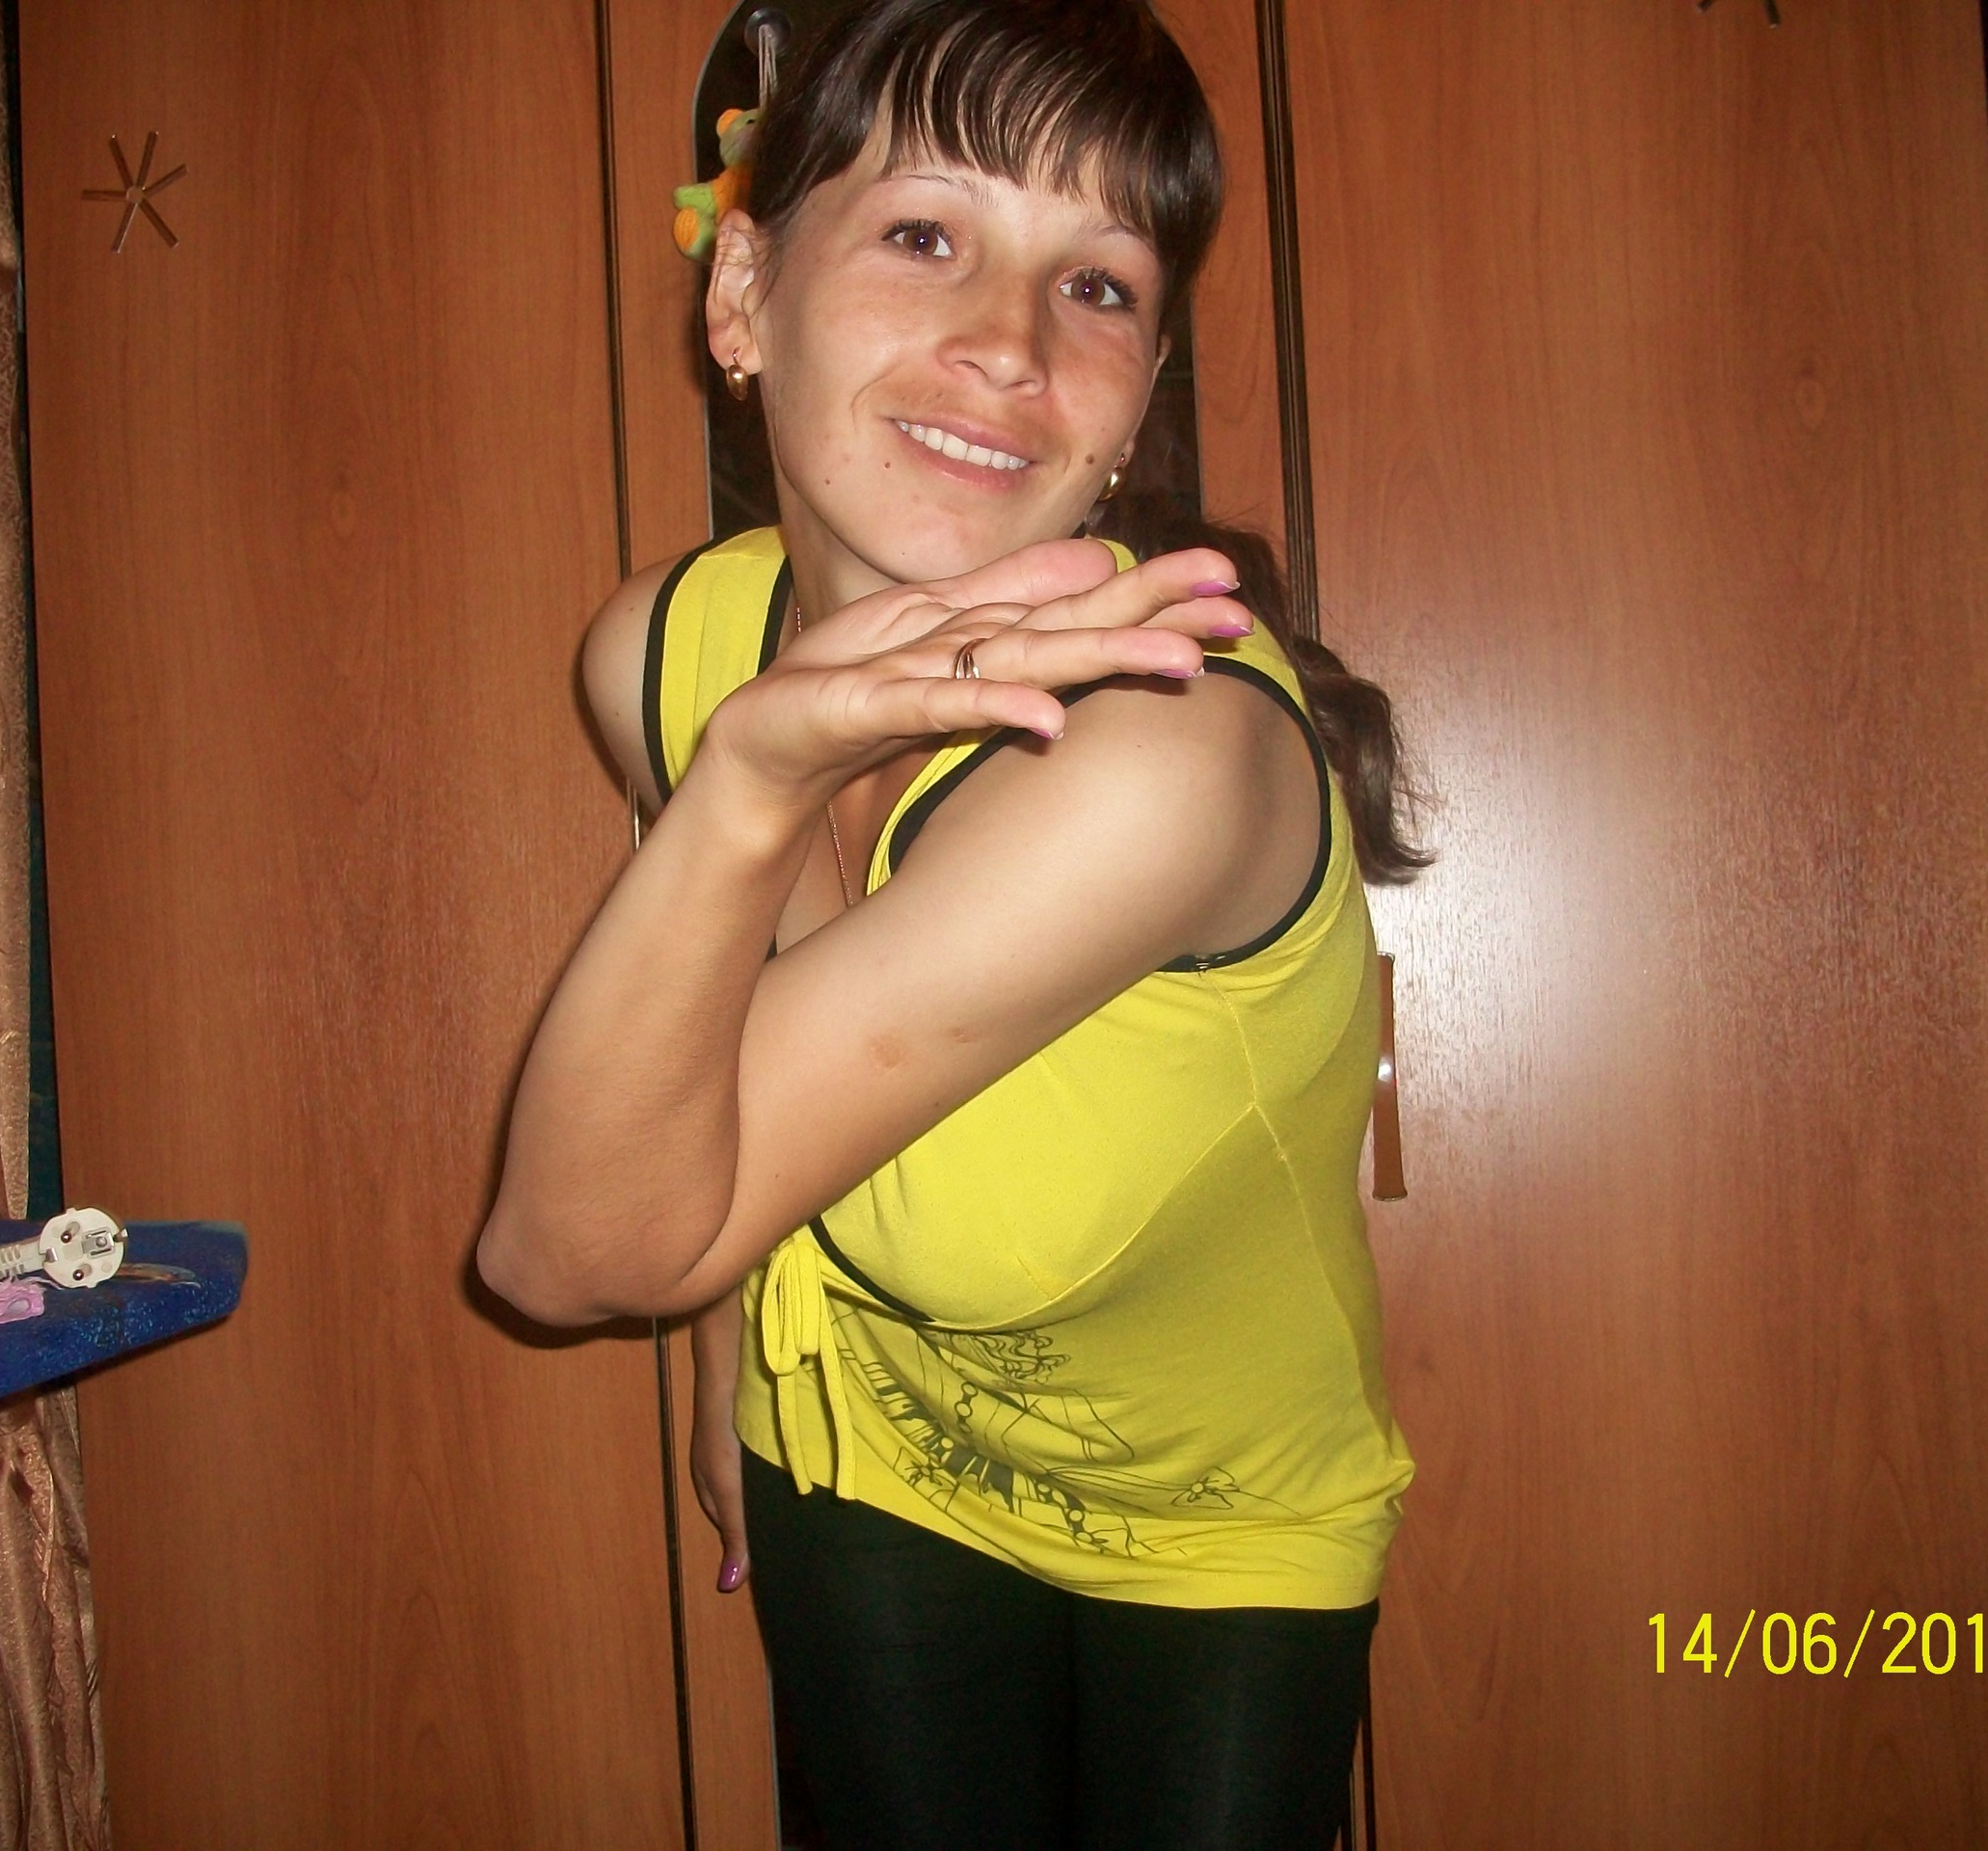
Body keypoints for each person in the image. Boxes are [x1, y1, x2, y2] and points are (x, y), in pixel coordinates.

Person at [478, 2, 1422, 1843]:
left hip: (1217, 1526)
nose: (1010, 344)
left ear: (1137, 392)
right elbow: (670, 1108)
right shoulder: (663, 651)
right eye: (926, 233)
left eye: (1099, 286)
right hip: (864, 1450)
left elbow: (558, 1259)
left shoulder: (1160, 763)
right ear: (743, 294)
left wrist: (748, 783)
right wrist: (730, 1358)